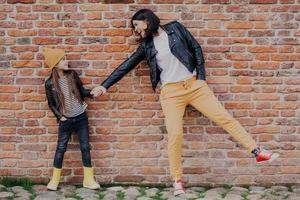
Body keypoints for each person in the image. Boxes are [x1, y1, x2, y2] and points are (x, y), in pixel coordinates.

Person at [91, 9, 279, 196]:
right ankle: (177, 180)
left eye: (136, 25)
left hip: (195, 86)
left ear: (146, 21)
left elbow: (195, 47)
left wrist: (202, 78)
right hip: (171, 93)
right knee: (175, 134)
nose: (136, 30)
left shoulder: (176, 28)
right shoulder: (146, 45)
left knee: (225, 118)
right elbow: (126, 65)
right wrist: (104, 86)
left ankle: (257, 151)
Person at [43, 48, 100, 190]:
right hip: (66, 121)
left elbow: (82, 91)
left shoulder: (72, 75)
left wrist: (92, 93)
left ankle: (88, 180)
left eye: (65, 58)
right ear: (55, 63)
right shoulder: (49, 83)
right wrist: (60, 117)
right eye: (63, 59)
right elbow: (51, 104)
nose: (66, 61)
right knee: (61, 148)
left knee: (85, 147)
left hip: (81, 118)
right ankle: (54, 180)